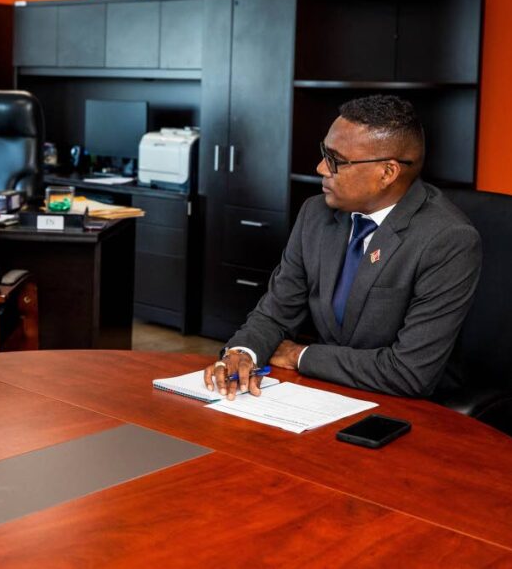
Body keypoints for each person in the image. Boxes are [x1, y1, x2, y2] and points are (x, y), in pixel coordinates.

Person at [204, 95, 481, 399]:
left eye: (336, 160)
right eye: (325, 153)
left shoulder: (447, 239)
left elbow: (409, 372)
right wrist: (244, 352)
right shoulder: (315, 214)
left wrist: (300, 356)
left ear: (387, 173)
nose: (321, 167)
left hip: (411, 408)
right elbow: (276, 311)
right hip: (326, 392)